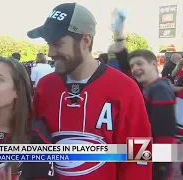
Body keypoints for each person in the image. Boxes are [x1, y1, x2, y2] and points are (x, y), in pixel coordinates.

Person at [27, 2, 152, 180]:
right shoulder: (44, 87)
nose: (50, 52)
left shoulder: (125, 89)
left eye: (58, 43)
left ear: (85, 41)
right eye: (48, 44)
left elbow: (139, 156)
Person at [128, 50, 176, 180]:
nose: (135, 69)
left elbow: (165, 133)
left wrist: (160, 168)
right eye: (132, 66)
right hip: (142, 152)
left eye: (139, 64)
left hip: (153, 162)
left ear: (154, 64)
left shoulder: (159, 90)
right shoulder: (150, 87)